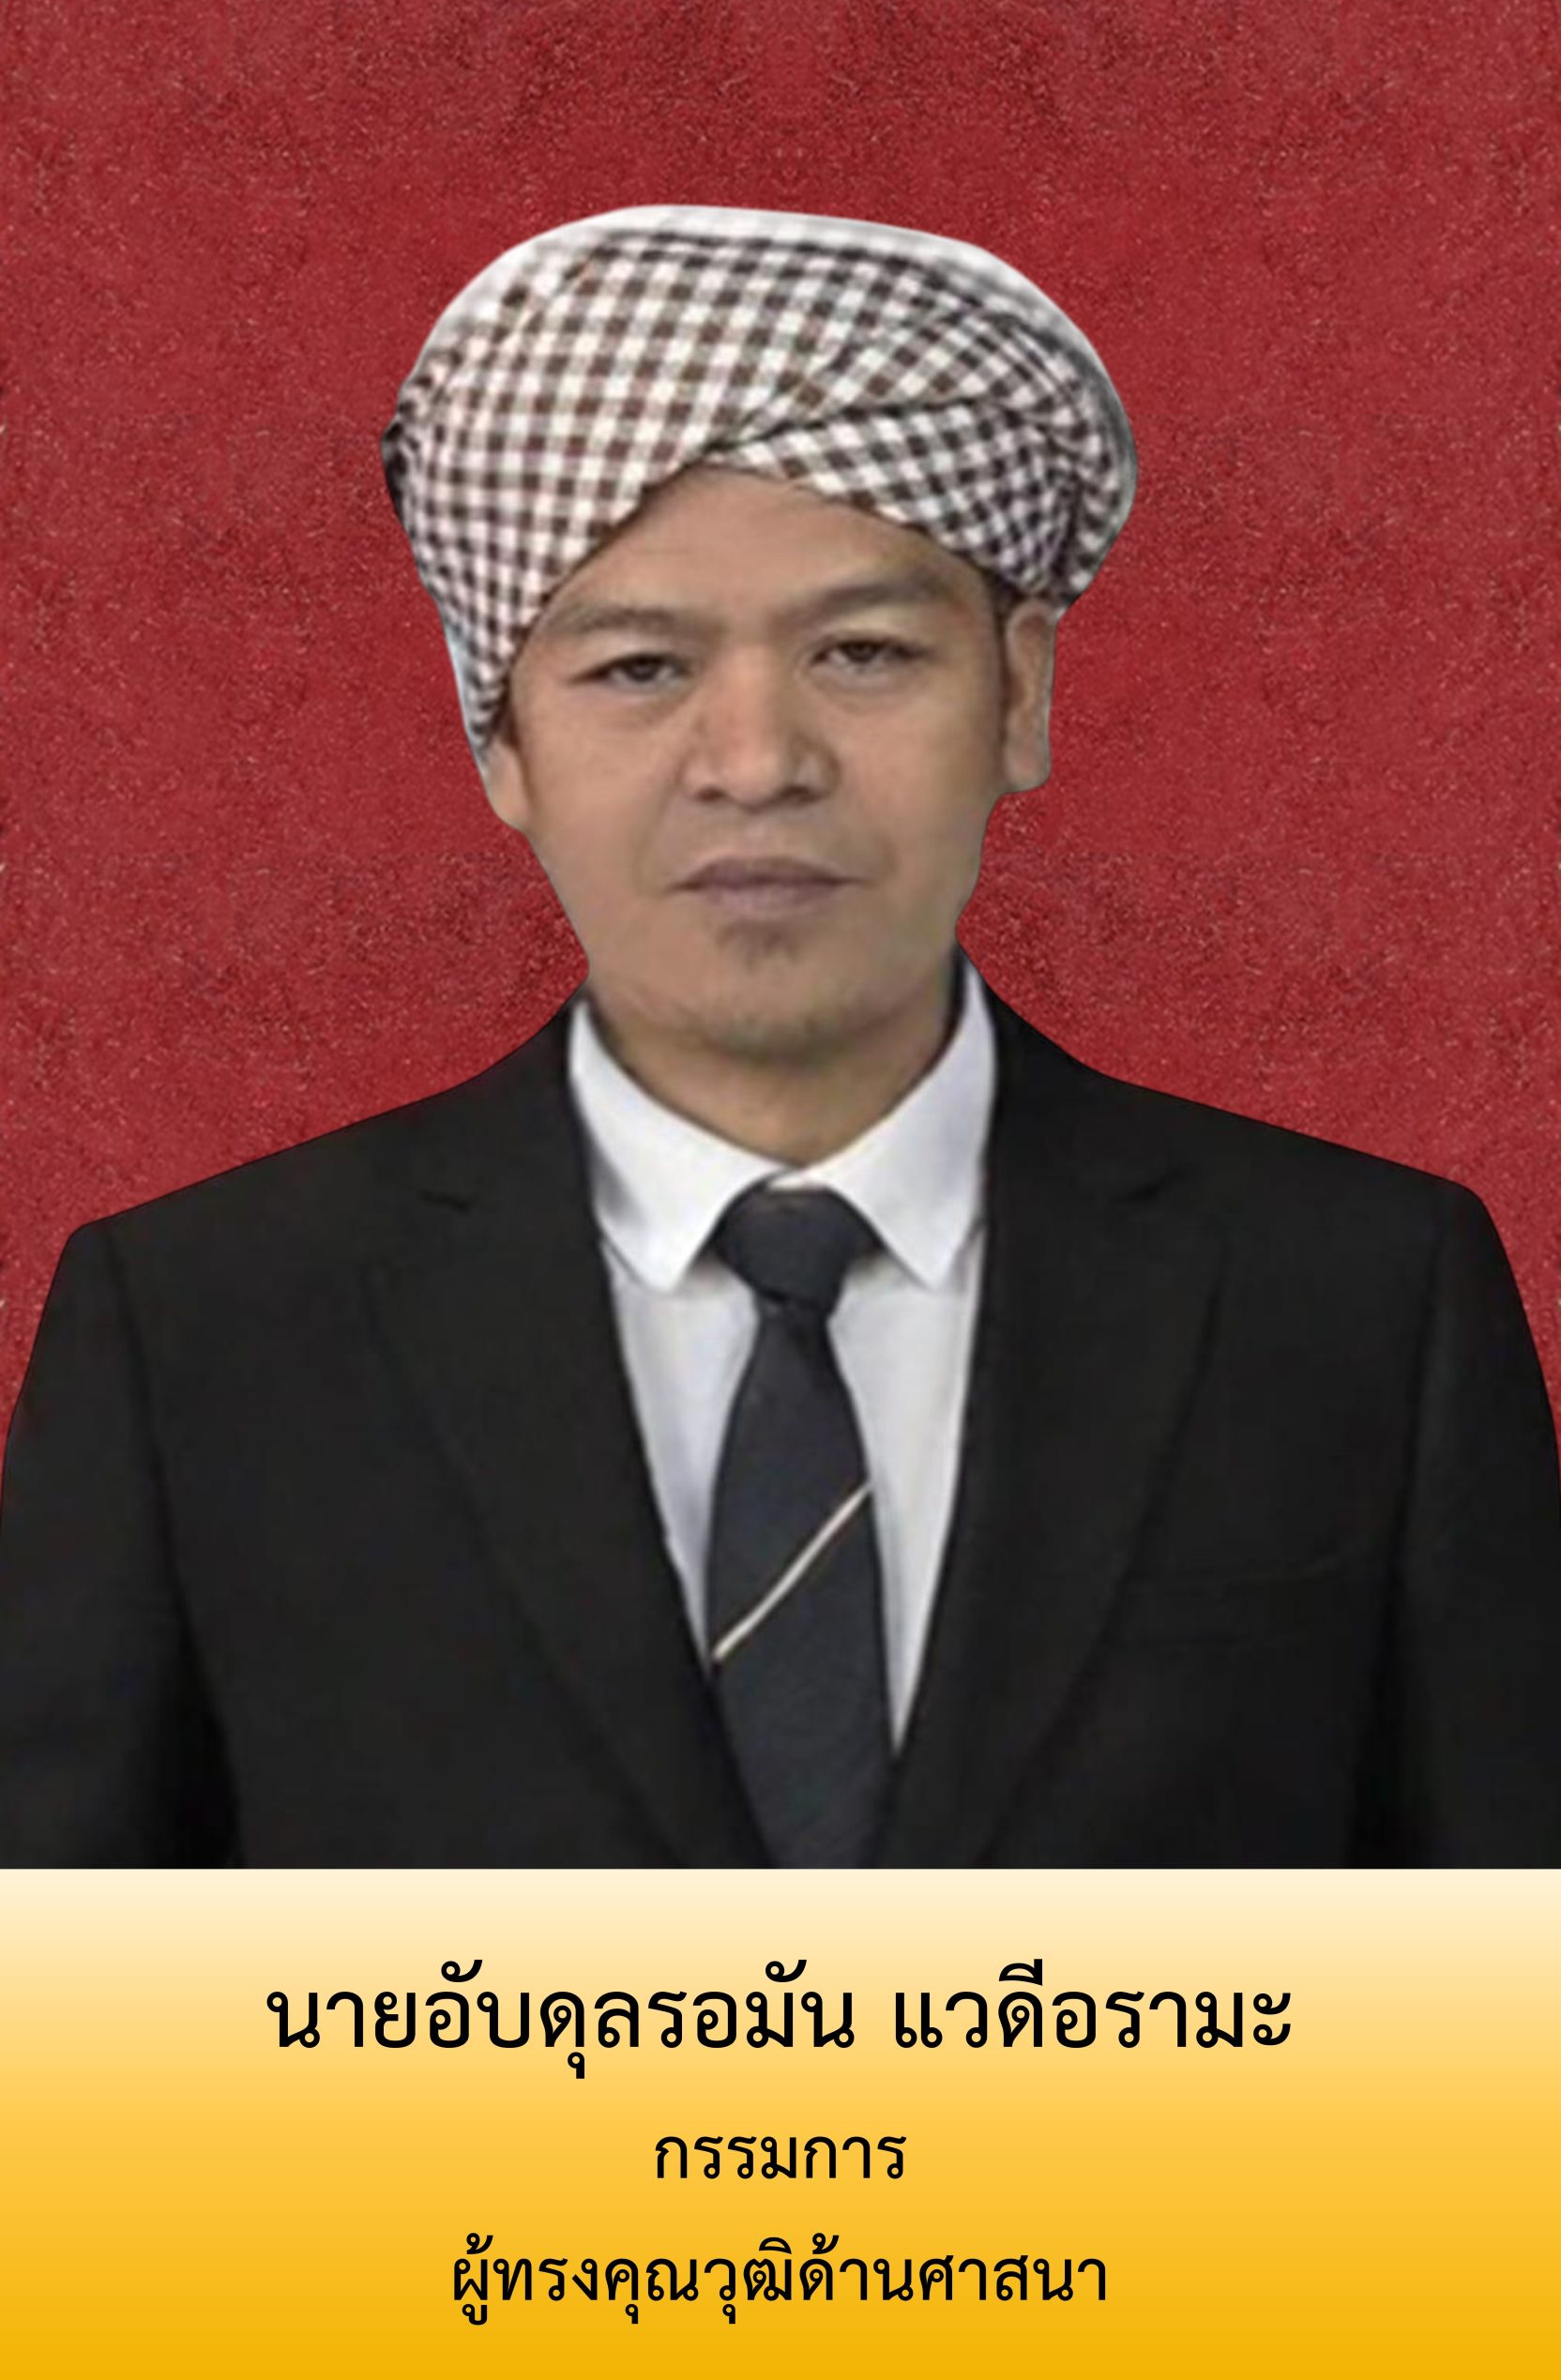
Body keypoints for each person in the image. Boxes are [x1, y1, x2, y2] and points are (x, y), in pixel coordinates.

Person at [2, 205, 1558, 1869]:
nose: (756, 761)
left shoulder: (1365, 1301)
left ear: (1021, 696)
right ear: (499, 743)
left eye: (862, 653)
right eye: (638, 667)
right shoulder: (199, 1331)